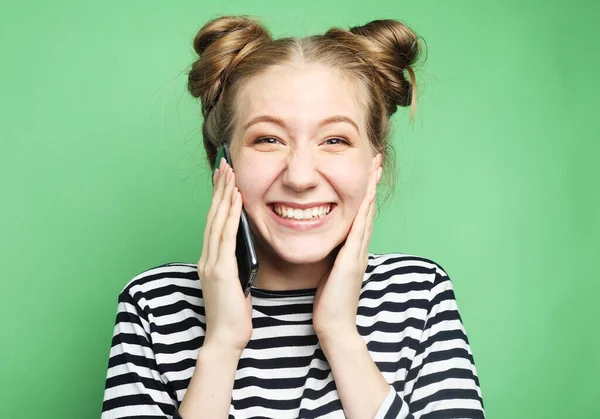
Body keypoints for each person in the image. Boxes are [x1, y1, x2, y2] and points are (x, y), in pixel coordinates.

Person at [101, 15, 485, 419]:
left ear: (374, 163)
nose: (300, 177)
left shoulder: (417, 296)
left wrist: (340, 334)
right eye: (268, 139)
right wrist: (222, 343)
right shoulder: (155, 305)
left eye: (335, 140)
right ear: (222, 161)